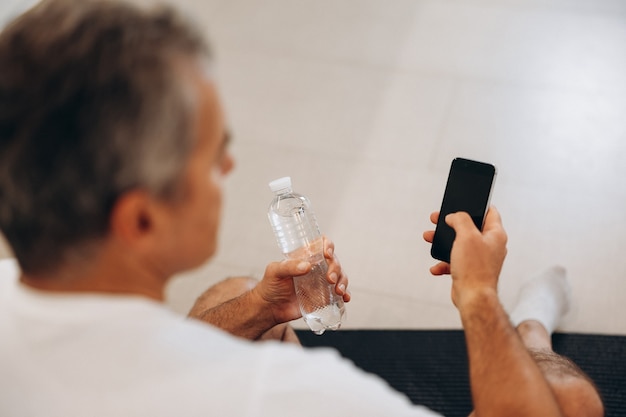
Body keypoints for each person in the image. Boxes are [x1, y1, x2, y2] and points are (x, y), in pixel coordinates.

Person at [0, 1, 603, 416]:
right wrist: (477, 293)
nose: (229, 170)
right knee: (569, 399)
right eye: (214, 156)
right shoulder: (285, 395)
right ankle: (531, 324)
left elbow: (142, 358)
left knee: (233, 294)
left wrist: (263, 306)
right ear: (140, 220)